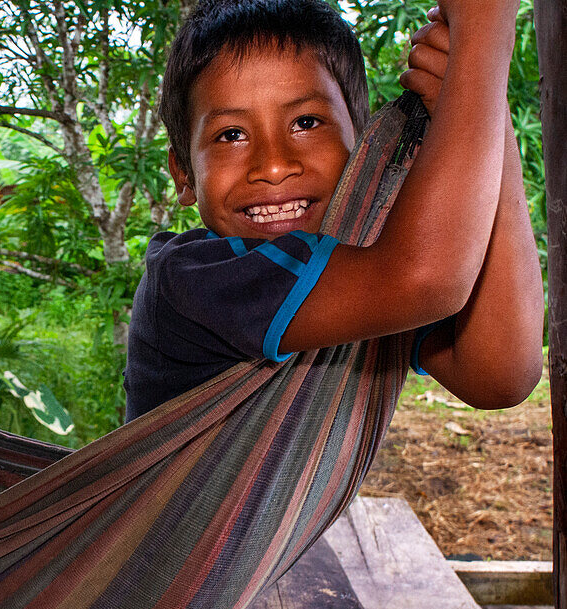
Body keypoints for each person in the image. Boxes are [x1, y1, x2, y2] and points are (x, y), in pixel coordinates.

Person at [123, 0, 544, 423]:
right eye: (231, 135)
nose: (273, 166)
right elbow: (424, 278)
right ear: (183, 175)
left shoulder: (367, 273)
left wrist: (478, 89)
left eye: (306, 123)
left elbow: (500, 376)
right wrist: (484, 31)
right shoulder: (191, 281)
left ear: (362, 145)